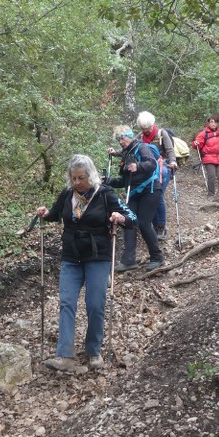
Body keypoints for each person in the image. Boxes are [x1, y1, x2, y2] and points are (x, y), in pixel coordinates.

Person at [35, 154, 137, 374]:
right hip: (71, 257)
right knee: (67, 303)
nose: (77, 183)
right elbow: (55, 215)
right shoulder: (67, 194)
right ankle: (65, 355)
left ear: (90, 176)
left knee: (95, 304)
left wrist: (120, 218)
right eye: (73, 178)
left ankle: (93, 351)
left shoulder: (105, 195)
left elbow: (132, 218)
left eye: (81, 178)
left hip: (98, 257)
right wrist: (45, 213)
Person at [107, 125, 164, 272]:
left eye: (122, 138)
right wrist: (108, 181)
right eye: (118, 139)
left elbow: (151, 164)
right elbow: (125, 181)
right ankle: (128, 260)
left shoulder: (141, 147)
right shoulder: (126, 154)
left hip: (150, 189)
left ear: (130, 136)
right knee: (128, 223)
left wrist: (137, 166)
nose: (120, 141)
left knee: (144, 223)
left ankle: (157, 257)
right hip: (133, 193)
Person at [136, 111, 177, 241]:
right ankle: (153, 226)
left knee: (156, 195)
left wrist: (173, 161)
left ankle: (160, 227)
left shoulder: (161, 133)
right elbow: (131, 148)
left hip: (163, 167)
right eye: (143, 129)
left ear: (152, 124)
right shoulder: (139, 137)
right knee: (150, 196)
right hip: (148, 170)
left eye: (147, 128)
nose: (146, 131)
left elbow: (170, 150)